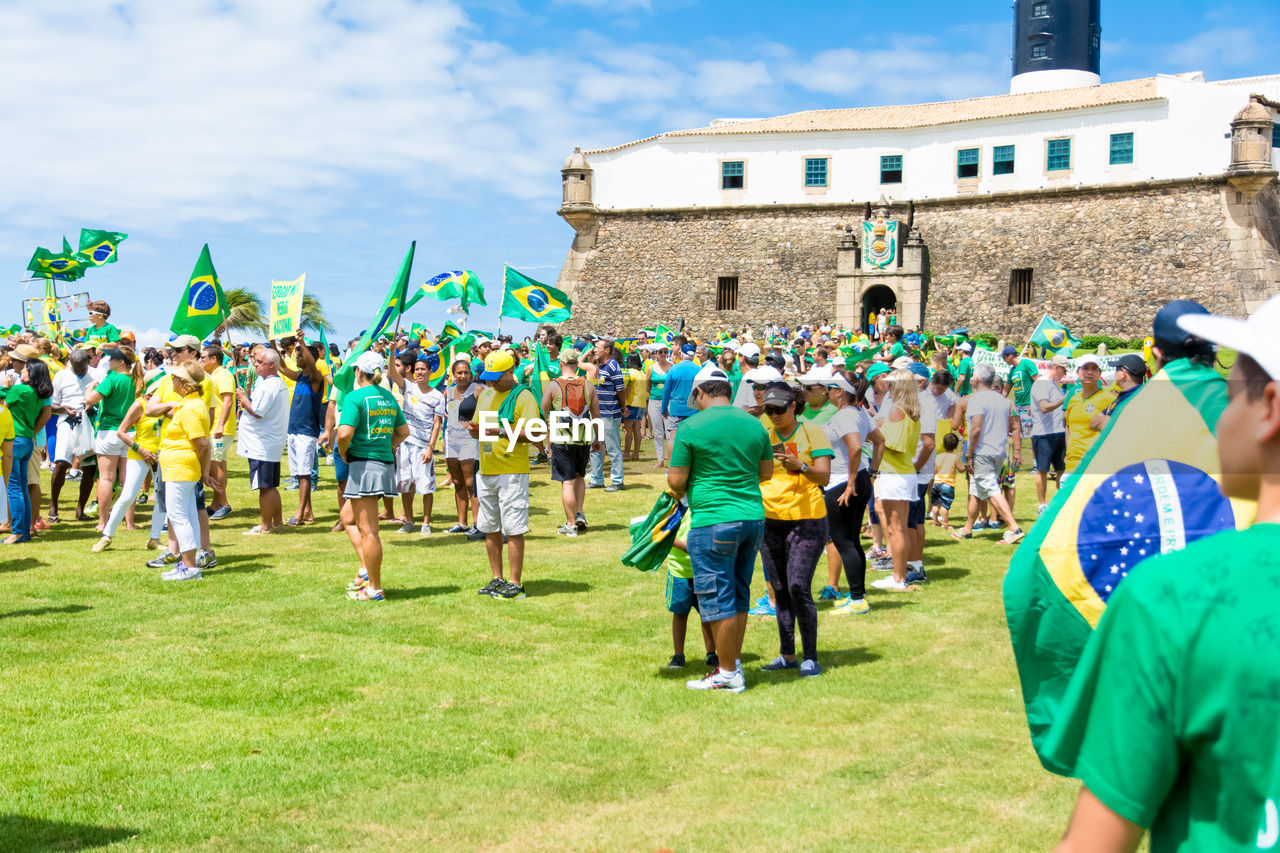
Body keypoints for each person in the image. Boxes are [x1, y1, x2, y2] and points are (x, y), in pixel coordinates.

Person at [1044, 295, 1280, 853]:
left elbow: (1096, 843)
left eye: (1227, 398)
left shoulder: (1171, 598)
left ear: (1268, 409)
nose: (1219, 419)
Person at [667, 363, 773, 693]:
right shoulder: (754, 424)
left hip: (713, 519)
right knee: (740, 594)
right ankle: (733, 664)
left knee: (717, 598)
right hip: (752, 517)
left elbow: (676, 480)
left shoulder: (691, 427)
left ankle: (727, 672)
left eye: (693, 397)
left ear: (699, 392)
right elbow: (766, 473)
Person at [756, 383, 832, 677]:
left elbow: (824, 477)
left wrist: (801, 466)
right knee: (779, 589)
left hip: (807, 519)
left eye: (778, 409)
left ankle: (810, 657)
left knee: (798, 587)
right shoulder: (764, 435)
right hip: (770, 519)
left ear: (793, 407)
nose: (773, 415)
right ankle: (787, 655)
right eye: (768, 410)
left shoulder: (813, 432)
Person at [337, 351, 409, 601]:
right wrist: (388, 446)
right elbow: (403, 431)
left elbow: (344, 433)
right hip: (383, 464)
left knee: (369, 531)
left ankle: (375, 588)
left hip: (364, 465)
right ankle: (366, 568)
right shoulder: (388, 397)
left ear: (359, 372)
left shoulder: (355, 397)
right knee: (347, 517)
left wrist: (344, 453)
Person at [470, 350, 540, 600]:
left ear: (511, 372)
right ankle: (496, 577)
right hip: (487, 468)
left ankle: (515, 582)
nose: (490, 382)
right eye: (488, 377)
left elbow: (535, 434)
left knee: (513, 529)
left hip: (511, 472)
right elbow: (480, 426)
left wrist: (501, 431)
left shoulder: (523, 396)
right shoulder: (487, 394)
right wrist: (475, 430)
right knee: (489, 528)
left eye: (495, 377)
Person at [817, 372, 883, 613]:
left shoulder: (846, 415)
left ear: (840, 392)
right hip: (857, 479)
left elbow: (856, 447)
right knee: (852, 541)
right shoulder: (858, 412)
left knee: (844, 542)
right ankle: (859, 595)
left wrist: (851, 483)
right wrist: (871, 473)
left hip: (843, 484)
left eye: (830, 387)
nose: (827, 391)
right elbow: (879, 440)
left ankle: (857, 600)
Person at [952, 363, 1025, 544]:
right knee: (976, 489)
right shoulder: (1004, 401)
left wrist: (969, 455)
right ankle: (967, 529)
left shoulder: (976, 400)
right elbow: (1014, 426)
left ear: (976, 380)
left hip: (982, 451)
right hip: (999, 451)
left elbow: (975, 430)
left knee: (991, 488)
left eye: (972, 376)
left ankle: (1013, 527)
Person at [156, 363, 212, 581]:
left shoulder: (189, 408)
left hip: (180, 468)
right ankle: (189, 564)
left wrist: (205, 472)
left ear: (185, 383)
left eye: (175, 379)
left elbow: (203, 444)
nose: (172, 382)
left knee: (178, 515)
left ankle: (189, 566)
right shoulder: (191, 404)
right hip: (182, 468)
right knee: (186, 515)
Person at [869, 369, 922, 591]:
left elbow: (892, 443)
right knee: (898, 528)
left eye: (891, 384)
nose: (887, 387)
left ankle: (898, 577)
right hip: (903, 473)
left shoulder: (898, 410)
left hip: (894, 473)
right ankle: (899, 575)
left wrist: (874, 432)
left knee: (896, 529)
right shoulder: (909, 410)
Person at [543, 348, 601, 537]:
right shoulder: (588, 385)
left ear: (561, 364)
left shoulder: (553, 385)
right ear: (577, 364)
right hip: (583, 433)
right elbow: (596, 414)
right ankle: (579, 514)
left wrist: (547, 434)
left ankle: (570, 524)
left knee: (566, 481)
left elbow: (542, 412)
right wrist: (598, 438)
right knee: (579, 476)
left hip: (563, 434)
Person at [94, 394, 164, 552]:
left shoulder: (168, 402)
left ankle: (155, 539)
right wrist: (141, 450)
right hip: (138, 455)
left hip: (161, 455)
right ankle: (107, 536)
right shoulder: (140, 404)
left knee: (162, 497)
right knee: (127, 496)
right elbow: (121, 432)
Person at [83, 346, 138, 534]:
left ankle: (103, 522)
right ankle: (129, 522)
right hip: (130, 432)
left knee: (106, 478)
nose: (109, 361)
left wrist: (90, 387)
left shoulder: (112, 378)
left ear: (121, 361)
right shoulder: (137, 380)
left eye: (113, 358)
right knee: (128, 480)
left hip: (109, 431)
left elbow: (90, 399)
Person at [236, 347, 290, 535]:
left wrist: (243, 399)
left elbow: (258, 411)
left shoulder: (269, 385)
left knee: (265, 486)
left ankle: (266, 525)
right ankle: (276, 522)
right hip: (268, 442)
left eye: (259, 363)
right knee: (270, 485)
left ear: (271, 365)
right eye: (255, 361)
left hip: (262, 443)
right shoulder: (275, 383)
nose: (255, 365)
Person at [2, 347, 52, 544]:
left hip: (14, 441)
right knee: (22, 487)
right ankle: (25, 530)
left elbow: (4, 402)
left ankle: (17, 532)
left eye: (25, 368)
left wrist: (6, 386)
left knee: (14, 488)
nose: (21, 370)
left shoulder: (20, 389)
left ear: (31, 373)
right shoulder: (37, 392)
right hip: (28, 441)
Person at [392, 353, 445, 535]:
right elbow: (393, 371)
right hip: (406, 444)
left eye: (423, 369)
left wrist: (431, 447)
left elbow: (437, 423)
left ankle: (426, 524)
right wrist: (391, 352)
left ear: (430, 372)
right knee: (405, 484)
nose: (420, 372)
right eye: (417, 370)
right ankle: (409, 521)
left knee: (426, 486)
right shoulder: (408, 387)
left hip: (424, 446)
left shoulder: (438, 396)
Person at [47, 348, 98, 522]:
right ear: (70, 362)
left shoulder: (97, 375)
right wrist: (63, 409)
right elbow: (51, 405)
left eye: (82, 368)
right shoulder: (61, 376)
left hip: (87, 423)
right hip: (66, 422)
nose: (80, 371)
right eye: (76, 368)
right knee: (61, 463)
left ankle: (80, 510)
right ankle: (53, 507)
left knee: (89, 467)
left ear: (88, 362)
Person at [663, 510, 718, 670]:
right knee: (680, 614)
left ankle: (711, 653)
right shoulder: (673, 506)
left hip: (704, 568)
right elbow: (663, 532)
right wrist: (683, 546)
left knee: (707, 614)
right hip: (679, 570)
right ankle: (678, 655)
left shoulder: (705, 502)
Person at [442, 355, 480, 536]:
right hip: (451, 440)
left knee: (471, 483)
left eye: (466, 372)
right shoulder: (448, 392)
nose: (463, 376)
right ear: (453, 374)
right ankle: (461, 522)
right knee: (457, 483)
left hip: (469, 440)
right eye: (459, 373)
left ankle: (477, 523)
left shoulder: (478, 389)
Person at [1063, 355, 1117, 475]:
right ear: (1078, 372)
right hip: (1071, 466)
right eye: (1085, 368)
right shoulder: (1074, 399)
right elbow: (1068, 427)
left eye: (1094, 368)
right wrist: (1068, 452)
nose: (1089, 372)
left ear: (1099, 373)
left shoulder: (1109, 399)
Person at [200, 345, 236, 520]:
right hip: (214, 427)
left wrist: (220, 425)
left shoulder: (223, 375)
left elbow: (228, 401)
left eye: (203, 357)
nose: (200, 360)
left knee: (216, 465)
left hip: (220, 428)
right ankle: (216, 504)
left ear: (213, 359)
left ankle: (224, 503)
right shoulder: (213, 376)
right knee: (217, 465)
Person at [1030, 355, 1069, 514]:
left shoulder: (1054, 384)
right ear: (1056, 367)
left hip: (1058, 432)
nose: (1064, 374)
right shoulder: (1042, 383)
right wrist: (1065, 399)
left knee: (1061, 470)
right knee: (1043, 470)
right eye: (1064, 370)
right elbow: (1044, 407)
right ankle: (1042, 505)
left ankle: (1060, 502)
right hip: (1043, 434)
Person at [587, 337, 627, 492]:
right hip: (596, 414)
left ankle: (617, 480)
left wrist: (623, 407)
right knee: (595, 446)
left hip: (609, 414)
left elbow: (621, 389)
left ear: (607, 350)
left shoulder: (613, 366)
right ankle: (597, 479)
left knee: (612, 448)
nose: (595, 349)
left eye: (597, 347)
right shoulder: (599, 366)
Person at [1088, 353, 1146, 433]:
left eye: (1116, 369)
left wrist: (1106, 420)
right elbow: (1094, 423)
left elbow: (1099, 423)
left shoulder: (1131, 398)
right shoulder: (1135, 395)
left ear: (1123, 374)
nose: (1115, 373)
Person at [645, 344, 673, 468]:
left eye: (665, 352)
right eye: (660, 352)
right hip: (654, 401)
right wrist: (653, 394)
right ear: (656, 353)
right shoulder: (651, 368)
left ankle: (671, 459)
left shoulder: (672, 367)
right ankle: (660, 460)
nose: (663, 354)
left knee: (669, 430)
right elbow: (647, 384)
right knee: (657, 431)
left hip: (668, 402)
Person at [1003, 345, 1039, 438]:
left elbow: (1038, 381)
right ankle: (1017, 452)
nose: (1004, 360)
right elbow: (1006, 389)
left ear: (1010, 355)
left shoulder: (1026, 363)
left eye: (1004, 357)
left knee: (1032, 435)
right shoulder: (1012, 370)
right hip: (1017, 406)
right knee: (1016, 433)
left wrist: (1035, 402)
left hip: (1029, 404)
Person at [930, 433, 961, 527]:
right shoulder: (955, 457)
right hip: (947, 484)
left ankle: (935, 522)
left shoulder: (938, 456)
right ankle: (945, 523)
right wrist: (966, 468)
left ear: (943, 444)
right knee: (945, 506)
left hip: (937, 483)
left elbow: (935, 470)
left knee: (935, 504)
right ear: (956, 446)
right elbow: (960, 469)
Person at [622, 353, 647, 462]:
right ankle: (636, 453)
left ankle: (627, 452)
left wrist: (623, 404)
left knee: (627, 429)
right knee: (637, 429)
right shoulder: (642, 373)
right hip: (641, 404)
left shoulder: (630, 373)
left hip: (631, 403)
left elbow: (626, 389)